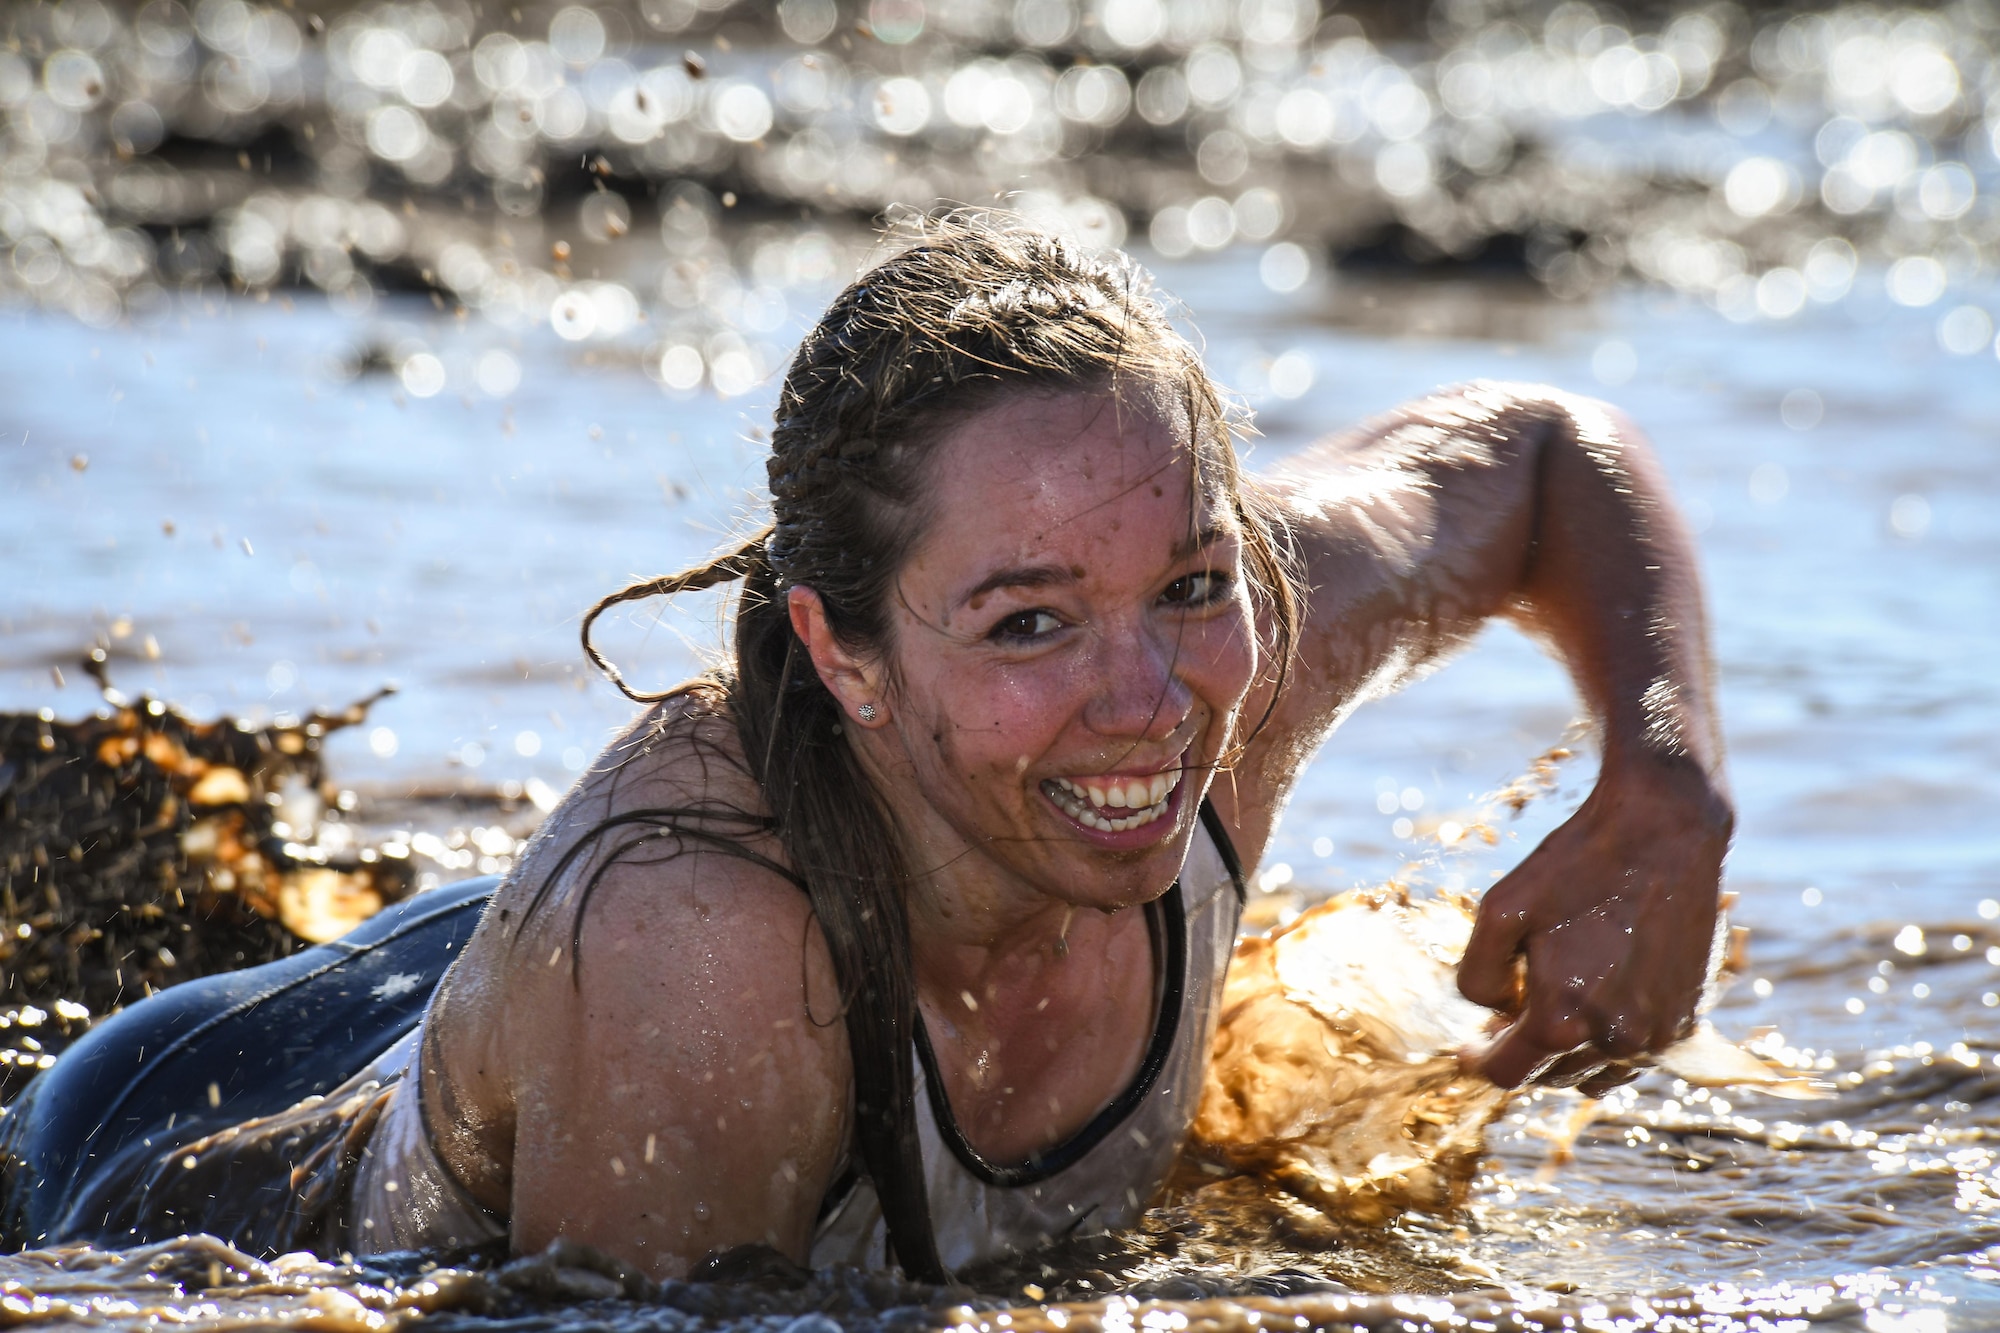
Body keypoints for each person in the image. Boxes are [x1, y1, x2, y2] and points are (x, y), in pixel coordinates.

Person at [1, 219, 1731, 1281]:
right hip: (168, 1136)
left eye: (1189, 584)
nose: (1150, 699)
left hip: (494, 963)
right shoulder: (706, 959)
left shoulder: (1236, 656)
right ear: (843, 646)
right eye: (1027, 622)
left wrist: (1665, 775)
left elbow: (1545, 453)